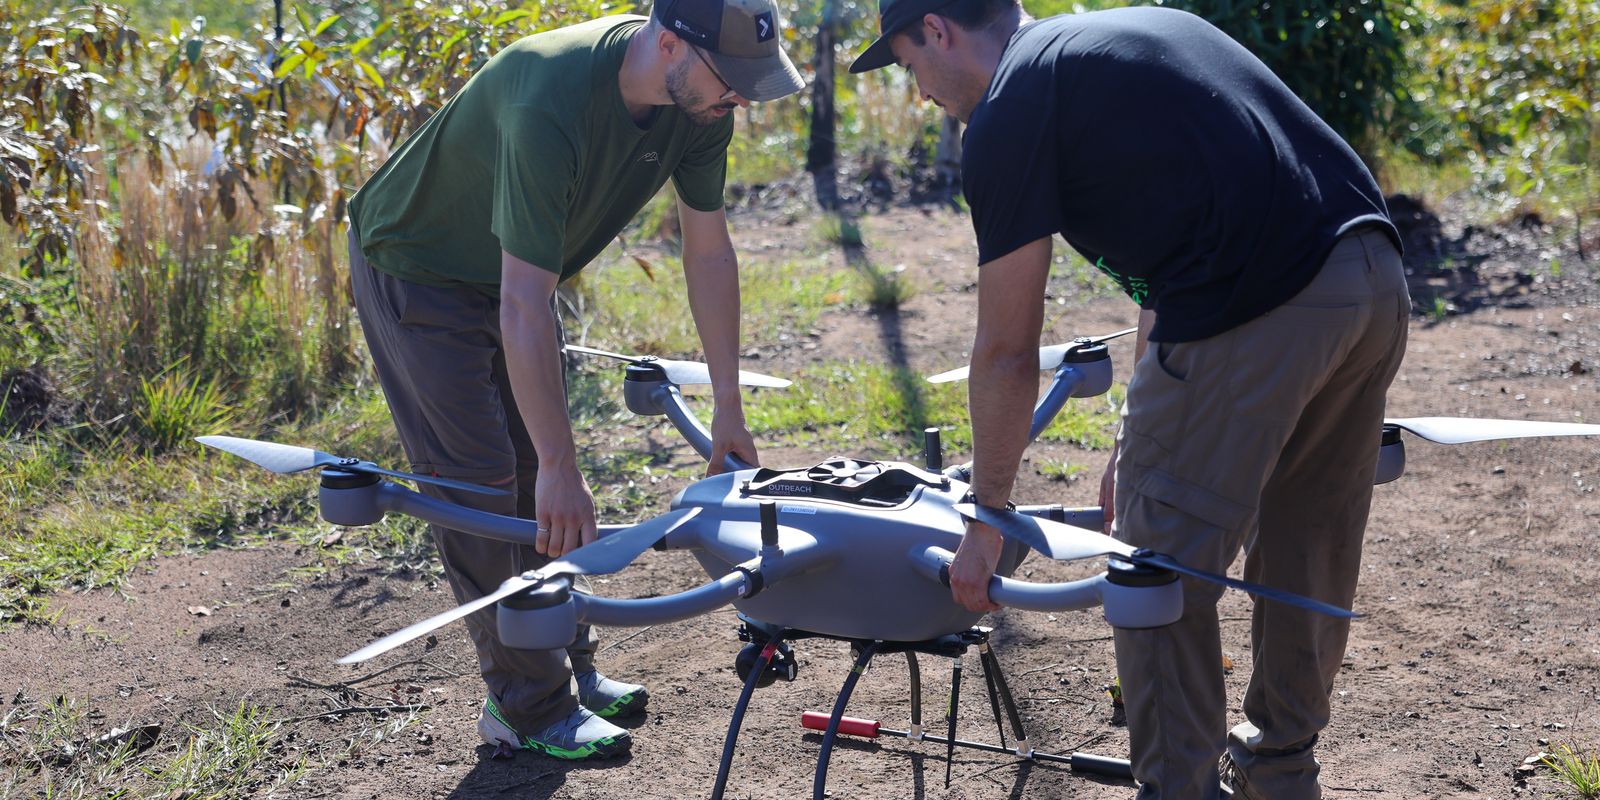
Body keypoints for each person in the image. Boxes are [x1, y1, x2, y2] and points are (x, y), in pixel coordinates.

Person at [851, 4, 1408, 797]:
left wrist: (987, 518)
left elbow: (1008, 350)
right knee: (1307, 547)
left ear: (937, 30)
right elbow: (1166, 260)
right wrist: (1130, 443)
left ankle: (1178, 788)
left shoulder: (1009, 107)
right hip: (1372, 277)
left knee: (1155, 577)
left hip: (1255, 303)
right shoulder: (1114, 40)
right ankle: (1282, 771)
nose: (918, 91)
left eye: (908, 64)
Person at [346, 0, 803, 761]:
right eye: (733, 81)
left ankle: (568, 668)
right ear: (669, 45)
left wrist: (728, 408)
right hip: (417, 268)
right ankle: (525, 706)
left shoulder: (699, 108)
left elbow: (709, 253)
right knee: (487, 487)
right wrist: (559, 465)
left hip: (513, 277)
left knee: (543, 485)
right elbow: (524, 302)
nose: (743, 99)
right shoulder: (549, 95)